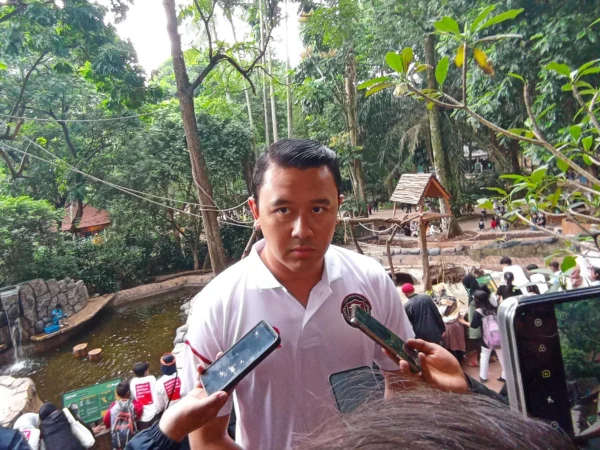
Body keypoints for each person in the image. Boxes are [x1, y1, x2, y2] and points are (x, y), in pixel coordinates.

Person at [181, 139, 416, 450]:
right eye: (283, 209)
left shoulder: (370, 280)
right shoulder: (218, 306)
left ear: (339, 206)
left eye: (318, 208)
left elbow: (403, 382)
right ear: (255, 210)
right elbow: (206, 438)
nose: (302, 230)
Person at [459, 290, 506, 383]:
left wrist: (463, 322)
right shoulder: (494, 308)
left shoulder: (478, 312)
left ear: (476, 300)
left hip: (487, 338)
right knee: (502, 356)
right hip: (499, 336)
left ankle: (483, 377)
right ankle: (505, 376)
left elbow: (474, 325)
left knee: (484, 355)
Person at [105, 382, 143, 449]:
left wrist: (110, 426)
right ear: (128, 392)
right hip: (131, 433)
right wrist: (136, 417)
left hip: (117, 434)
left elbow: (106, 419)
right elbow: (140, 410)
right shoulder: (134, 403)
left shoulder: (113, 405)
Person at [462, 275, 482, 367]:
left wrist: (465, 322)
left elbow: (472, 311)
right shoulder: (481, 291)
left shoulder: (473, 295)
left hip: (476, 321)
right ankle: (492, 356)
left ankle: (479, 360)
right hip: (485, 320)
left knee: (477, 341)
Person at [130, 362, 157, 427]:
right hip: (154, 413)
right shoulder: (152, 378)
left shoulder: (133, 382)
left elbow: (133, 397)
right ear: (145, 372)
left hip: (141, 416)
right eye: (147, 370)